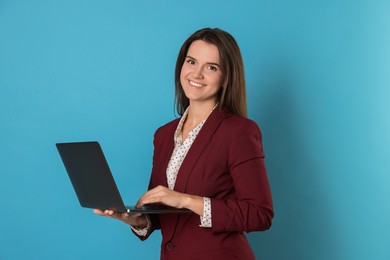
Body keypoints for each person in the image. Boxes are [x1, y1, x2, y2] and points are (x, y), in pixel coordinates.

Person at [94, 28, 274, 259]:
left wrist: (186, 200)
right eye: (191, 62)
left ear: (227, 76)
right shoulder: (164, 135)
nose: (196, 74)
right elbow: (163, 213)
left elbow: (260, 214)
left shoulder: (239, 132)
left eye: (211, 67)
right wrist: (135, 219)